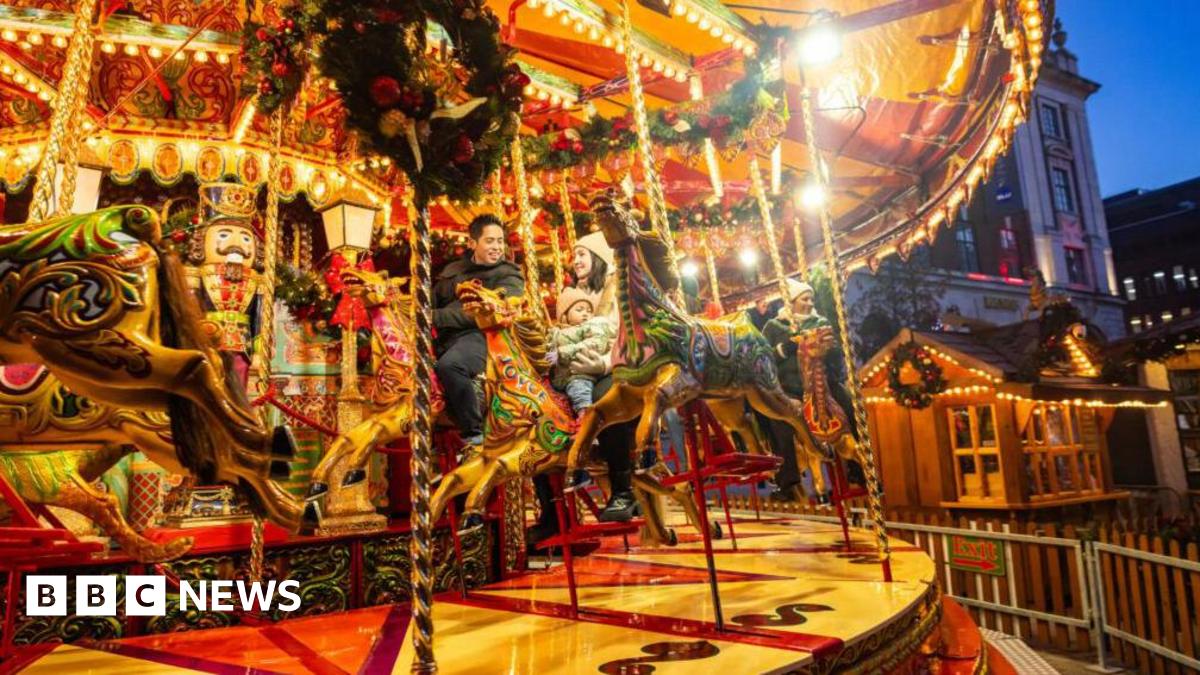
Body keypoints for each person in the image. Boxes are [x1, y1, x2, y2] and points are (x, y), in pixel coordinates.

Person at [432, 214, 523, 449]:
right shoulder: (453, 271)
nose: (497, 247)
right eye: (490, 241)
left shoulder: (508, 274)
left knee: (450, 366)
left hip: (483, 337)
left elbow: (490, 311)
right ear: (472, 243)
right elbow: (429, 302)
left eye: (500, 241)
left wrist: (437, 317)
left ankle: (473, 433)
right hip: (444, 338)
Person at [549, 288, 616, 414]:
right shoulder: (558, 331)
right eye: (579, 310)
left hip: (581, 373)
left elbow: (595, 343)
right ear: (565, 314)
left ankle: (584, 418)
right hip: (562, 377)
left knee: (579, 390)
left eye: (589, 311)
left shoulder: (592, 326)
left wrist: (563, 352)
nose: (585, 314)